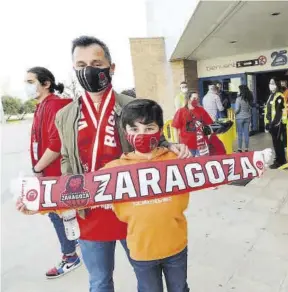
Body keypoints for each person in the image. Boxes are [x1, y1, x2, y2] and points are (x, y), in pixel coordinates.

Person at [54, 36, 190, 292]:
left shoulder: (132, 105)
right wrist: (64, 192)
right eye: (81, 64)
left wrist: (173, 146)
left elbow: (155, 138)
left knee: (147, 280)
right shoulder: (65, 115)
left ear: (111, 67)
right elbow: (65, 158)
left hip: (134, 208)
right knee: (100, 281)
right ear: (74, 69)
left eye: (96, 62)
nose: (89, 70)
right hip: (90, 213)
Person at [103, 99, 190, 292]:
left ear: (160, 129)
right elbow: (77, 194)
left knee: (180, 289)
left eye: (149, 128)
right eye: (134, 130)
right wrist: (36, 203)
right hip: (142, 250)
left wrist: (253, 164)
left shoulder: (178, 159)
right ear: (125, 133)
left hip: (176, 246)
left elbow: (215, 171)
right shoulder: (113, 170)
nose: (141, 135)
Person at [25, 66, 81, 278]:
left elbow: (56, 144)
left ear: (46, 83)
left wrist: (37, 168)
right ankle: (75, 243)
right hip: (47, 172)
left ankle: (70, 256)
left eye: (30, 82)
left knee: (59, 214)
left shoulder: (55, 105)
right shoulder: (41, 106)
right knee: (60, 214)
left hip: (56, 173)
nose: (26, 87)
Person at [172, 91, 213, 156]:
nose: (196, 100)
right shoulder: (181, 111)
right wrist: (177, 143)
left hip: (202, 145)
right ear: (188, 99)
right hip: (186, 146)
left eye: (197, 98)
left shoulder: (201, 110)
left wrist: (208, 138)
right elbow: (175, 128)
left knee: (201, 164)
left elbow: (209, 124)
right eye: (194, 98)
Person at [264, 78, 287, 169]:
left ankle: (280, 161)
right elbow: (268, 111)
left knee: (278, 144)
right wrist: (267, 123)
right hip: (271, 124)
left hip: (277, 124)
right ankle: (279, 159)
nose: (271, 85)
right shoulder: (271, 95)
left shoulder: (279, 96)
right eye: (270, 83)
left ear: (277, 84)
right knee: (276, 143)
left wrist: (273, 124)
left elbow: (279, 112)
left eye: (273, 83)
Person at [235, 85, 252, 152]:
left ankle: (239, 149)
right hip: (247, 117)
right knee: (246, 133)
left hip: (239, 118)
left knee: (240, 133)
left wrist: (234, 113)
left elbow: (237, 109)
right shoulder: (248, 98)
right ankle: (246, 148)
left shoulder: (238, 99)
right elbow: (249, 108)